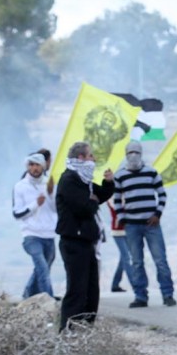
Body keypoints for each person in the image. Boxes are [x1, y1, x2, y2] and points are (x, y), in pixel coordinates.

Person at [55, 142, 115, 331]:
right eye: (90, 156)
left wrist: (108, 182)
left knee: (91, 290)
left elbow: (100, 196)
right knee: (77, 289)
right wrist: (92, 202)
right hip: (73, 241)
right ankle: (67, 330)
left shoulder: (84, 181)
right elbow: (83, 207)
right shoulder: (69, 179)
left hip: (87, 241)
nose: (94, 160)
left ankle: (85, 329)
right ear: (80, 158)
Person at [113, 141, 176, 308]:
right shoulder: (120, 175)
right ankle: (140, 296)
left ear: (141, 154)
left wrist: (157, 214)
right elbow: (117, 199)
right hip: (132, 225)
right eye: (130, 152)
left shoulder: (151, 172)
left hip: (151, 224)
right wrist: (122, 218)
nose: (133, 155)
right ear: (126, 154)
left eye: (136, 152)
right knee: (137, 262)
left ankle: (168, 294)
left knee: (160, 259)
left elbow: (162, 195)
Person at [12, 152, 58, 299]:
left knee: (42, 268)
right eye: (31, 165)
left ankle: (27, 296)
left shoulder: (49, 184)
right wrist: (34, 205)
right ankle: (49, 299)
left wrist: (51, 195)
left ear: (43, 166)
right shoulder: (20, 186)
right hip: (31, 235)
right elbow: (17, 213)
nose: (34, 168)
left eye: (37, 164)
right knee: (42, 268)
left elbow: (57, 209)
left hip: (49, 234)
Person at [107, 201, 132, 292]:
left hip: (127, 230)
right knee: (126, 257)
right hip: (117, 231)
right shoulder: (112, 197)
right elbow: (118, 208)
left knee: (123, 259)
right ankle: (135, 284)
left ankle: (115, 284)